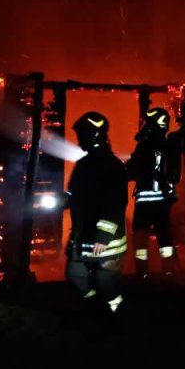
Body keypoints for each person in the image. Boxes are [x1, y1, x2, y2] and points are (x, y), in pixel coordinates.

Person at [65, 111, 128, 315]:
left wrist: (103, 236)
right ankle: (94, 305)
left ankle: (116, 311)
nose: (79, 140)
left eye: (82, 134)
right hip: (83, 234)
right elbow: (75, 195)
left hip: (104, 241)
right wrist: (60, 201)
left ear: (91, 135)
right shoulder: (83, 165)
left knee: (106, 279)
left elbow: (116, 203)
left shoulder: (113, 165)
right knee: (75, 274)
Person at [126, 106, 182, 280]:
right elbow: (176, 176)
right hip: (163, 201)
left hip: (145, 201)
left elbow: (131, 171)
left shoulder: (144, 146)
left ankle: (142, 272)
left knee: (141, 235)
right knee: (164, 235)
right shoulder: (170, 147)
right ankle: (169, 270)